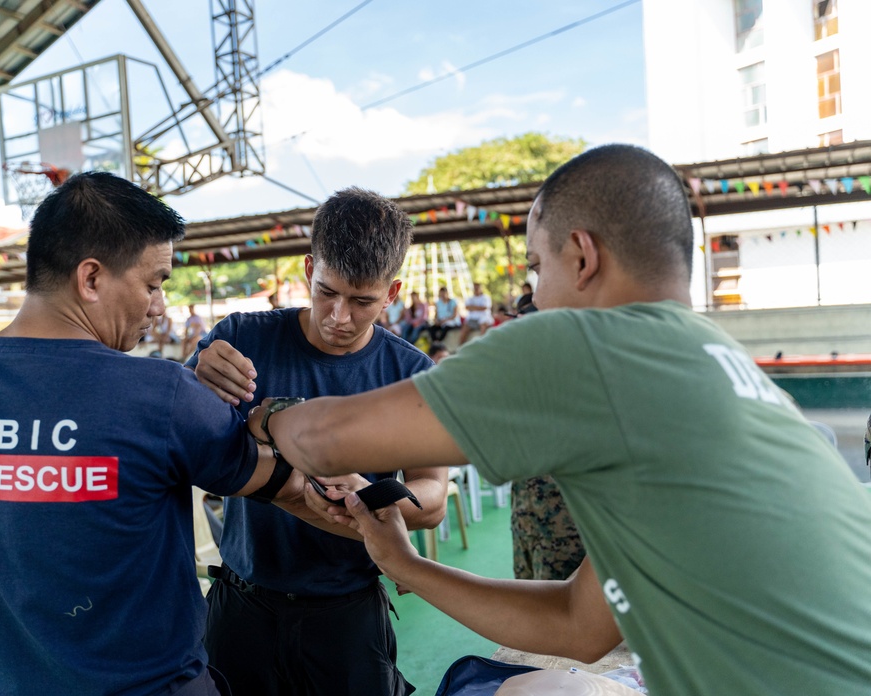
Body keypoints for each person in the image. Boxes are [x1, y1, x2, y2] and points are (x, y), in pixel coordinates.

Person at [245, 145, 871, 695]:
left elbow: (322, 440)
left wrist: (264, 412)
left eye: (536, 268)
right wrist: (405, 564)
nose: (535, 296)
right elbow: (580, 625)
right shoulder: (728, 370)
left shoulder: (588, 346)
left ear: (582, 256)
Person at [0, 172, 304, 696]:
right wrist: (271, 414)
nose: (160, 306)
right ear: (91, 279)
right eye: (153, 283)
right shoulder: (162, 396)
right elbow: (287, 479)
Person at [188, 186, 447, 696]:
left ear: (391, 294)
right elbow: (189, 452)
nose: (339, 317)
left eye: (362, 301)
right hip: (243, 602)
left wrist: (368, 497)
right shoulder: (241, 338)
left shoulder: (411, 373)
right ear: (309, 270)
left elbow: (432, 498)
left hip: (348, 608)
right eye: (327, 291)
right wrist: (194, 384)